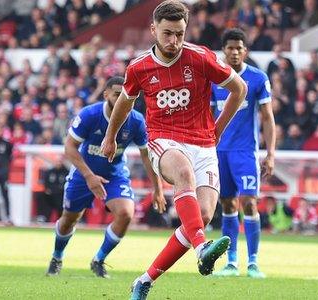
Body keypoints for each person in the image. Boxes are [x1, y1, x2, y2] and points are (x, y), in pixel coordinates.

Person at [99, 2, 247, 298]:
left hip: (203, 144)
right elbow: (125, 103)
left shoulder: (201, 57)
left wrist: (216, 131)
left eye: (179, 34)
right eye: (167, 34)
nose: (173, 41)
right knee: (182, 173)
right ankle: (202, 247)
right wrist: (110, 136)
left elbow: (239, 89)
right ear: (153, 30)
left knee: (201, 217)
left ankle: (144, 280)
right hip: (164, 141)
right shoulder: (139, 67)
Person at [45, 77, 166, 278]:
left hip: (115, 175)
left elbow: (147, 156)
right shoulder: (90, 115)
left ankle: (98, 259)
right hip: (83, 175)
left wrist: (158, 189)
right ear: (106, 95)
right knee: (69, 220)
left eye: (126, 95)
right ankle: (57, 257)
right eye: (117, 94)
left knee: (126, 214)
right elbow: (69, 147)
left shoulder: (136, 121)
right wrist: (89, 176)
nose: (122, 98)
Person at [210, 28, 275, 278]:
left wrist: (270, 154)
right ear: (223, 51)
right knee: (227, 204)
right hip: (219, 151)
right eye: (230, 48)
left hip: (246, 152)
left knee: (248, 202)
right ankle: (231, 262)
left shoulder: (258, 78)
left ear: (245, 51)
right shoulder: (215, 80)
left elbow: (267, 118)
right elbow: (207, 116)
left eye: (239, 48)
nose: (235, 52)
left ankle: (254, 262)